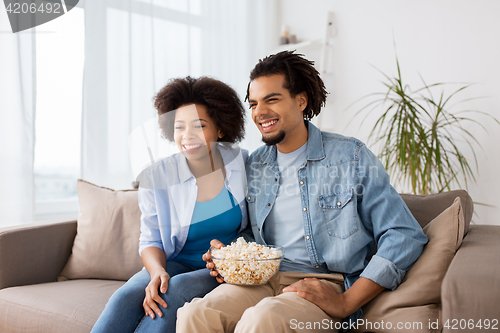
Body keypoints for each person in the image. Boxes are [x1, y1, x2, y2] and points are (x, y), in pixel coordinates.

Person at [176, 51, 428, 333]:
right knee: (195, 314)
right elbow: (255, 235)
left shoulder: (350, 157)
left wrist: (346, 302)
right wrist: (232, 254)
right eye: (255, 103)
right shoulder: (255, 164)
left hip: (323, 284)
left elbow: (403, 234)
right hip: (263, 278)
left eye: (272, 99)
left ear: (300, 100)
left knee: (262, 320)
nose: (260, 112)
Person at [91, 76, 248, 333]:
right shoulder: (156, 177)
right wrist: (156, 272)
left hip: (218, 267)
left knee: (174, 292)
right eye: (179, 127)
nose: (188, 136)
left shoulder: (241, 164)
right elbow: (150, 238)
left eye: (199, 126)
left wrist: (230, 256)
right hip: (175, 261)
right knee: (124, 297)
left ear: (220, 129)